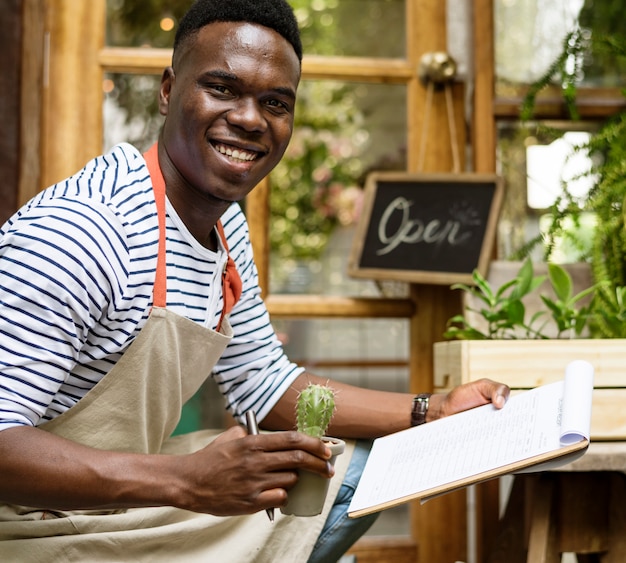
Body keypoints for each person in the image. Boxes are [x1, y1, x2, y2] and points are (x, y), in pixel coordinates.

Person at [0, 0, 509, 561]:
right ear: (168, 90)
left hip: (116, 505)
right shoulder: (85, 229)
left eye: (275, 103)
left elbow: (264, 383)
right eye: (222, 88)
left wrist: (431, 411)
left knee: (355, 465)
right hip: (25, 527)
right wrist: (185, 481)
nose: (250, 118)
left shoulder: (224, 225)